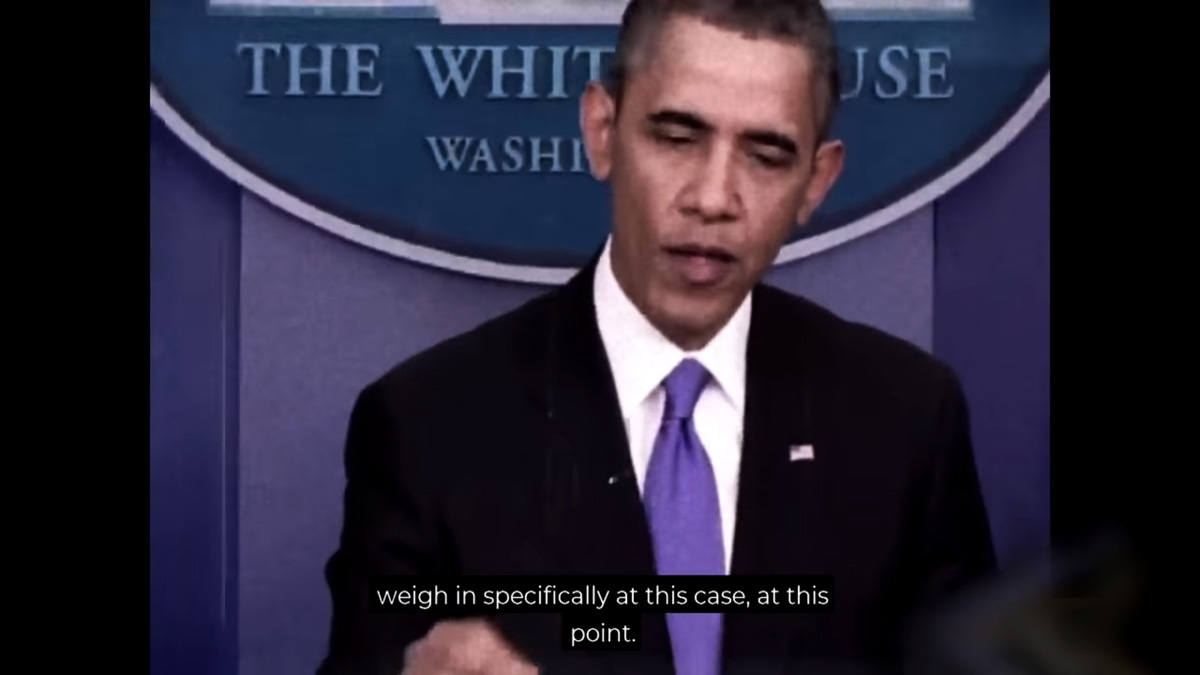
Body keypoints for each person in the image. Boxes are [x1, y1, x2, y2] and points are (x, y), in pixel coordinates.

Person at [316, 0, 996, 673]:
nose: (713, 197)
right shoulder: (428, 427)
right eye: (677, 138)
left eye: (765, 156)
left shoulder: (905, 420)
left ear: (815, 182)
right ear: (602, 130)